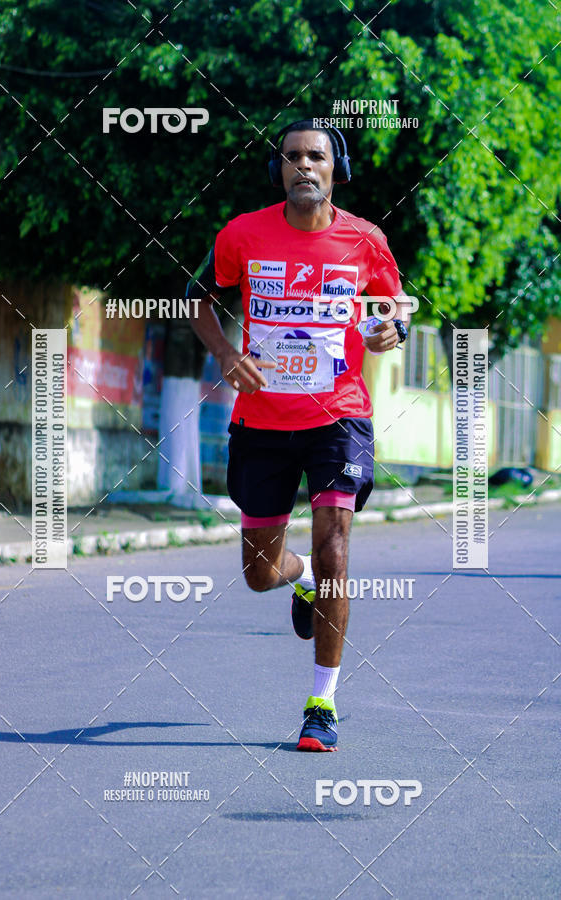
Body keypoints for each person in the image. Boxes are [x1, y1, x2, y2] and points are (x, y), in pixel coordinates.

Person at [187, 119, 410, 751]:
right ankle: (303, 574)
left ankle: (322, 702)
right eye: (291, 157)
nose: (303, 166)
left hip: (339, 417)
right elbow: (196, 297)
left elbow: (393, 311)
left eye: (316, 155)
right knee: (260, 573)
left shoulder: (366, 240)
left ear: (336, 167)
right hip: (261, 420)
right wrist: (227, 354)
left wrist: (391, 331)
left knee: (338, 542)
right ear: (278, 170)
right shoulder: (243, 234)